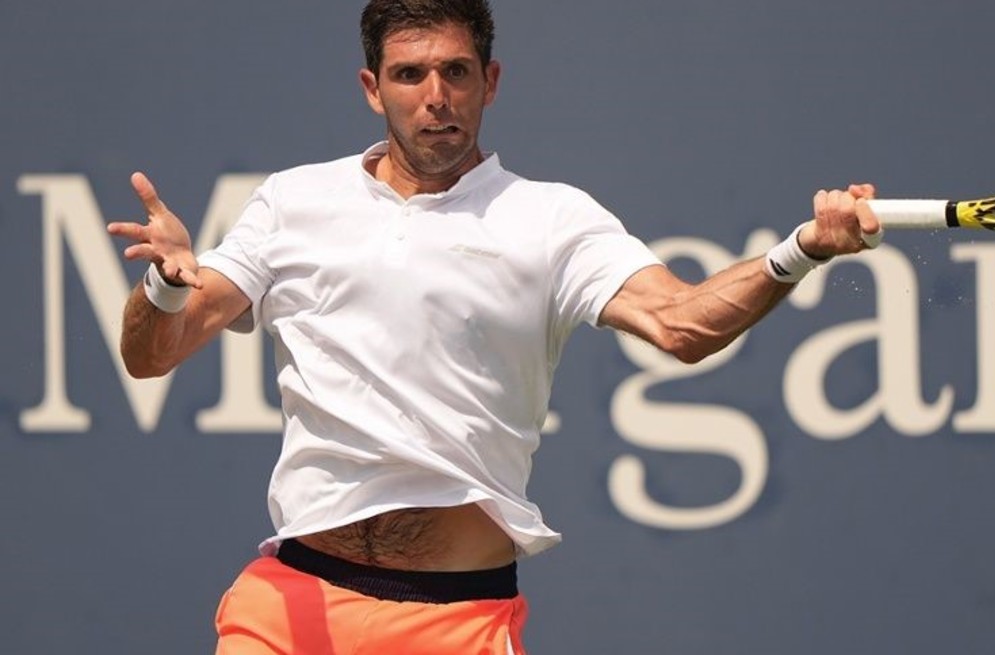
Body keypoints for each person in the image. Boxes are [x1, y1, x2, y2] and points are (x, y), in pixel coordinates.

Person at [107, 0, 881, 652]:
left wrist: (802, 249)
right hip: (291, 606)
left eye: (456, 71)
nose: (435, 94)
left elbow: (680, 324)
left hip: (459, 620)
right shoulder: (291, 202)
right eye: (410, 74)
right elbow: (152, 354)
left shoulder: (550, 218)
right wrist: (163, 288)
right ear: (373, 89)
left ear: (491, 82)